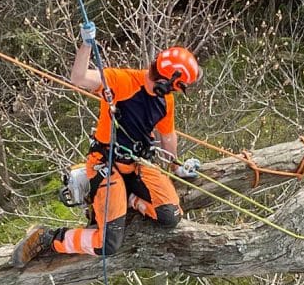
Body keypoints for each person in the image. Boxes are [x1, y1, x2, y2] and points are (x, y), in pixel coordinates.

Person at [12, 22, 202, 267]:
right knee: (108, 243)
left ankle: (130, 197)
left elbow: (168, 136)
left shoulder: (165, 102)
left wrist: (176, 166)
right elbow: (79, 77)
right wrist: (86, 44)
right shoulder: (121, 81)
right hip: (106, 164)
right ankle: (48, 238)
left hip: (137, 165)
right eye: (176, 87)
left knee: (170, 216)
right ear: (167, 82)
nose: (174, 93)